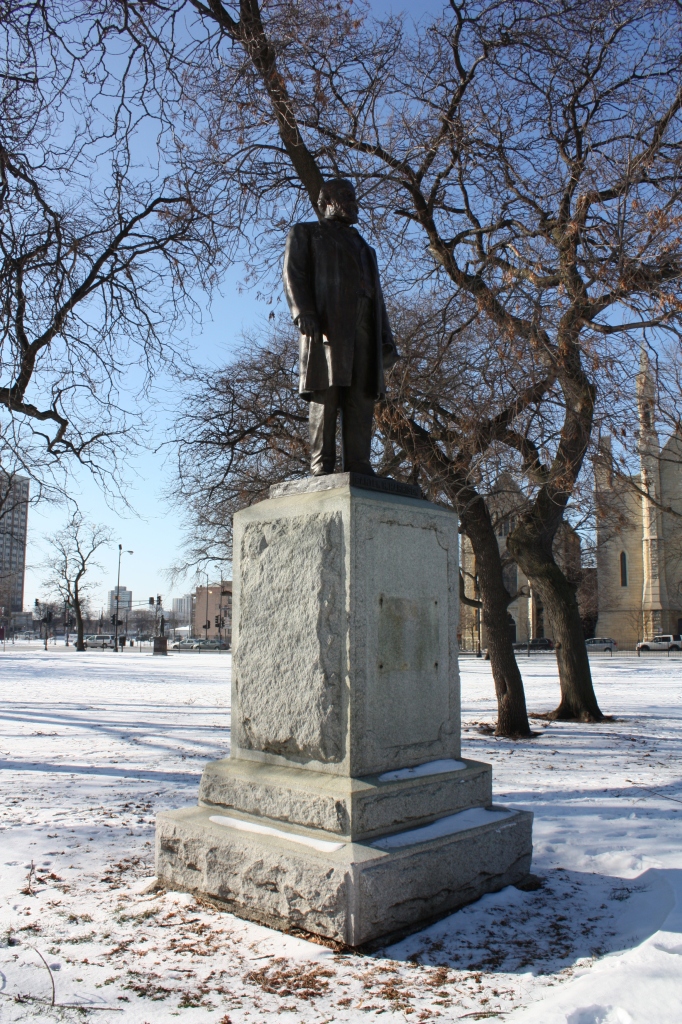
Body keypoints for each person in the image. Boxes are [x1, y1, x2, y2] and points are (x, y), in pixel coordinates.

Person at [283, 178, 398, 476]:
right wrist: (303, 311)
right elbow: (293, 273)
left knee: (362, 392)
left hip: (365, 324)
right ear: (327, 201)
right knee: (327, 391)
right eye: (346, 196)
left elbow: (378, 296)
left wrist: (384, 335)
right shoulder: (307, 233)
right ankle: (322, 463)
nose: (353, 201)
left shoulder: (364, 247)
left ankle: (359, 463)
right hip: (328, 323)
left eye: (354, 196)